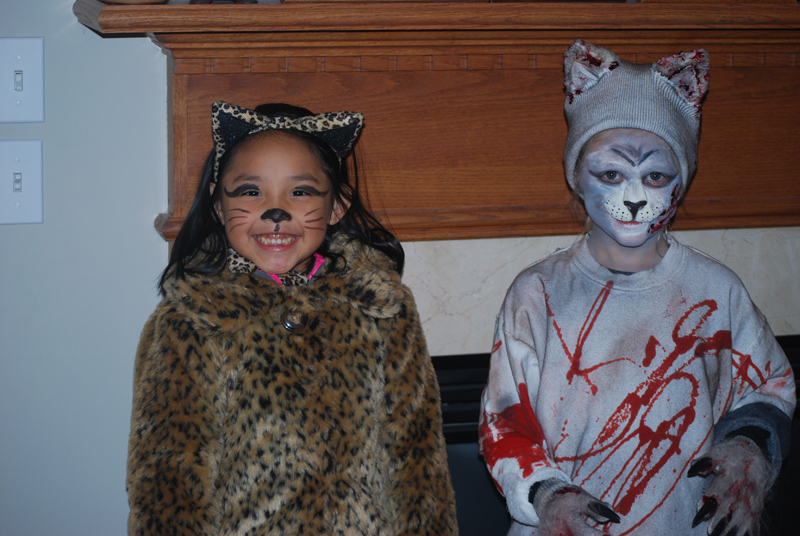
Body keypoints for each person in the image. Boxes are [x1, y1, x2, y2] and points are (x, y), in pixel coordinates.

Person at [479, 39, 795, 536]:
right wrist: (546, 493)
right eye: (611, 173)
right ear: (577, 177)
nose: (632, 197)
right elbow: (502, 421)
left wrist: (746, 450)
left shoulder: (718, 290)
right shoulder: (536, 293)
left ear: (680, 181)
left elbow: (770, 386)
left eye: (655, 176)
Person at [126, 101, 458, 535]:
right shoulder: (192, 319)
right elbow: (168, 480)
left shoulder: (383, 308)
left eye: (300, 192)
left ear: (337, 205)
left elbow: (417, 454)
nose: (275, 211)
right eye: (251, 191)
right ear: (218, 204)